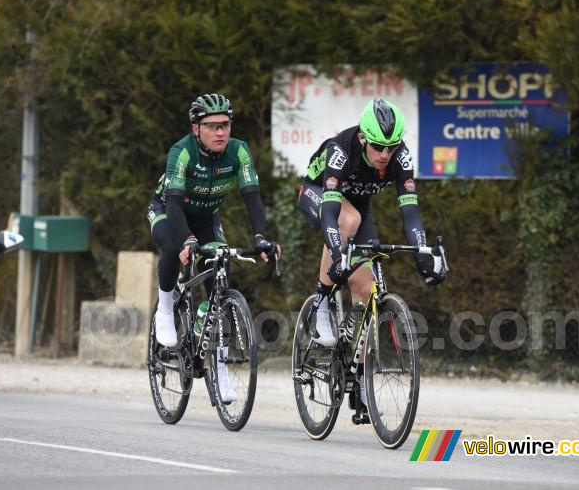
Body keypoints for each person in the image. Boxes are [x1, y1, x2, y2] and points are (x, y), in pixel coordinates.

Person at [297, 97, 445, 409]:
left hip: (357, 210)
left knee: (366, 292)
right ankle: (322, 300)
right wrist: (338, 254)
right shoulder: (341, 150)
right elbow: (331, 215)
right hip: (319, 195)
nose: (385, 155)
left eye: (391, 148)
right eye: (378, 147)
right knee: (346, 221)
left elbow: (411, 213)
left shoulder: (400, 158)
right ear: (364, 137)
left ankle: (360, 379)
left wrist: (424, 255)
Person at [148, 93, 277, 401]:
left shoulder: (239, 151)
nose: (220, 132)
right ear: (196, 129)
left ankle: (217, 368)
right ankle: (165, 307)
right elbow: (176, 202)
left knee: (220, 269)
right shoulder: (181, 152)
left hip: (206, 217)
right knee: (170, 246)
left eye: (225, 125)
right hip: (169, 211)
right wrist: (186, 240)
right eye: (212, 126)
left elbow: (252, 197)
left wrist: (260, 237)